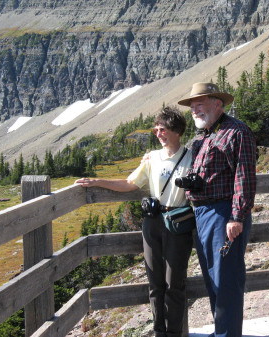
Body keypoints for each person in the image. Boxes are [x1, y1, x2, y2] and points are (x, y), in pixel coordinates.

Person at [75, 107, 193, 337]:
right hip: (153, 222)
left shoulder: (192, 155)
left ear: (177, 131)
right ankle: (160, 331)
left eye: (164, 129)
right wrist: (97, 181)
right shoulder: (152, 157)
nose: (159, 133)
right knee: (155, 282)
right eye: (157, 129)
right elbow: (130, 184)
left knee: (174, 283)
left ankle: (175, 333)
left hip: (179, 222)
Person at [177, 82, 257, 337]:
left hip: (224, 214)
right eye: (192, 105)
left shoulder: (237, 132)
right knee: (213, 279)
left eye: (200, 103)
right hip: (202, 216)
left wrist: (237, 216)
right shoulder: (202, 137)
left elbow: (244, 177)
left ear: (218, 104)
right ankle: (222, 331)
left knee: (227, 282)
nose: (195, 110)